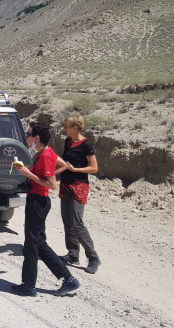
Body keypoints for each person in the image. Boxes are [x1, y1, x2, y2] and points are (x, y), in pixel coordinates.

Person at [11, 123, 80, 297]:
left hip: (38, 202)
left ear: (37, 138)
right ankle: (69, 279)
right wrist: (36, 175)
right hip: (37, 200)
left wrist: (28, 174)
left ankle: (28, 286)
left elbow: (52, 185)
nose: (26, 136)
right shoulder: (44, 152)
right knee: (39, 244)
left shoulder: (45, 155)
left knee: (31, 245)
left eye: (28, 134)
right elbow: (64, 165)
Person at [57, 115, 100, 274]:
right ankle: (73, 254)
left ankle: (93, 257)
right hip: (65, 184)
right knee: (67, 221)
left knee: (77, 223)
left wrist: (76, 170)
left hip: (79, 185)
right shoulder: (68, 141)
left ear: (75, 128)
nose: (64, 129)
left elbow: (94, 168)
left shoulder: (86, 145)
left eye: (66, 126)